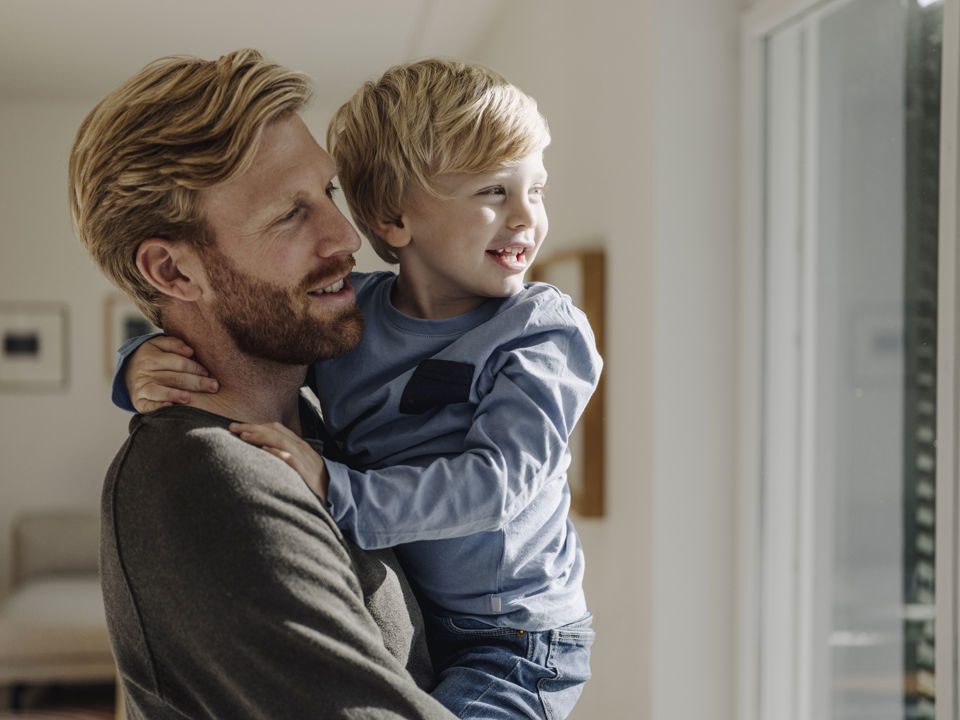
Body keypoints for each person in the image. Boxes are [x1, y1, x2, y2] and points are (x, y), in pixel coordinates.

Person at [116, 59, 601, 720]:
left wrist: (339, 488)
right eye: (493, 191)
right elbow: (232, 352)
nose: (526, 217)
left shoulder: (539, 331)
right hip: (449, 619)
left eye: (536, 189)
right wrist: (139, 361)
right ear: (395, 218)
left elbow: (499, 484)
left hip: (516, 635)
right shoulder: (351, 325)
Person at [69, 49, 456, 720]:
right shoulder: (213, 481)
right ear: (174, 272)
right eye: (290, 214)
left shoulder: (320, 426)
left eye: (328, 194)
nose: (347, 236)